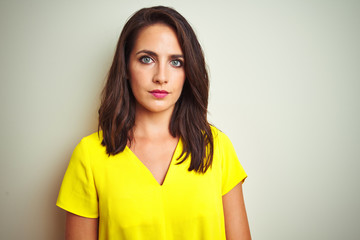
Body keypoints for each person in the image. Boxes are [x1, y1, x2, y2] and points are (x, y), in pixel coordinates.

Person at [56, 6, 251, 240]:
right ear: (126, 67)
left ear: (188, 71)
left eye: (176, 62)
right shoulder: (89, 156)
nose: (161, 76)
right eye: (147, 59)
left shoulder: (217, 147)